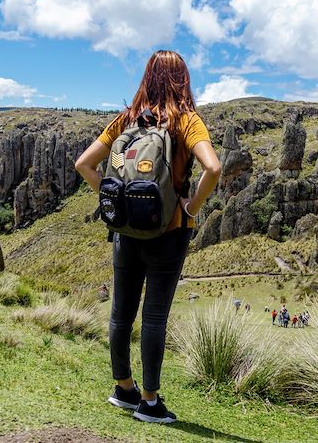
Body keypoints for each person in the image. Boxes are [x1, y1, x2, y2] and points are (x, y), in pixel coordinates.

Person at [74, 50, 221, 424]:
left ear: (146, 78)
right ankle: (151, 403)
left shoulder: (126, 119)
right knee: (154, 315)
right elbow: (213, 167)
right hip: (169, 235)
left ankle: (124, 389)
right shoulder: (186, 120)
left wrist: (117, 204)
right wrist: (190, 208)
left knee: (121, 311)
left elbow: (84, 165)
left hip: (124, 231)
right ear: (183, 79)